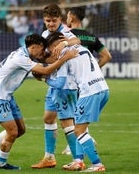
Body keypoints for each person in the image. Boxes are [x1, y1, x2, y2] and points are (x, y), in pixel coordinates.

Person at [0, 33, 78, 171]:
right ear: (34, 47)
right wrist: (65, 58)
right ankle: (1, 163)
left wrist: (61, 54)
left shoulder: (26, 54)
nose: (43, 53)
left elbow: (46, 62)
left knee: (21, 130)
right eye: (42, 50)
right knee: (12, 132)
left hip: (7, 96)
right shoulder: (21, 58)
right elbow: (44, 69)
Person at [45, 31, 109, 172]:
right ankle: (78, 161)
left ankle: (97, 165)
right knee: (81, 127)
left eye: (52, 49)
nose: (53, 53)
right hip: (103, 89)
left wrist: (45, 79)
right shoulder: (82, 48)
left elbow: (60, 83)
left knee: (79, 130)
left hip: (89, 92)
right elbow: (76, 41)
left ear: (59, 43)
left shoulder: (65, 55)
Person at [31, 3, 84, 170]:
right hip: (54, 82)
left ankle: (78, 161)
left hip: (66, 84)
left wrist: (65, 44)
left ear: (60, 19)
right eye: (47, 21)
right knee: (48, 118)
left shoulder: (66, 33)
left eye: (54, 21)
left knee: (67, 123)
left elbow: (78, 39)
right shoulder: (46, 34)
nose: (50, 24)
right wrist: (48, 64)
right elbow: (45, 57)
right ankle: (49, 158)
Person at [61, 6, 112, 155]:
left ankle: (79, 145)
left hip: (74, 81)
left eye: (68, 16)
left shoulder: (67, 36)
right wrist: (93, 69)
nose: (66, 19)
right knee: (80, 114)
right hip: (91, 82)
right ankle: (84, 140)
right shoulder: (90, 36)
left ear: (73, 17)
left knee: (75, 114)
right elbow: (107, 56)